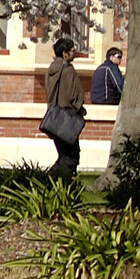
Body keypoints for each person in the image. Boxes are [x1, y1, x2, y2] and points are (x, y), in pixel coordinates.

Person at [43, 37, 87, 179]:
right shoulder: (68, 70)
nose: (74, 54)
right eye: (72, 51)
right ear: (65, 53)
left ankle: (53, 179)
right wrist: (80, 108)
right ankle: (60, 180)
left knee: (63, 154)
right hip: (67, 118)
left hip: (54, 117)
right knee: (71, 155)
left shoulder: (51, 69)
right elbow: (75, 94)